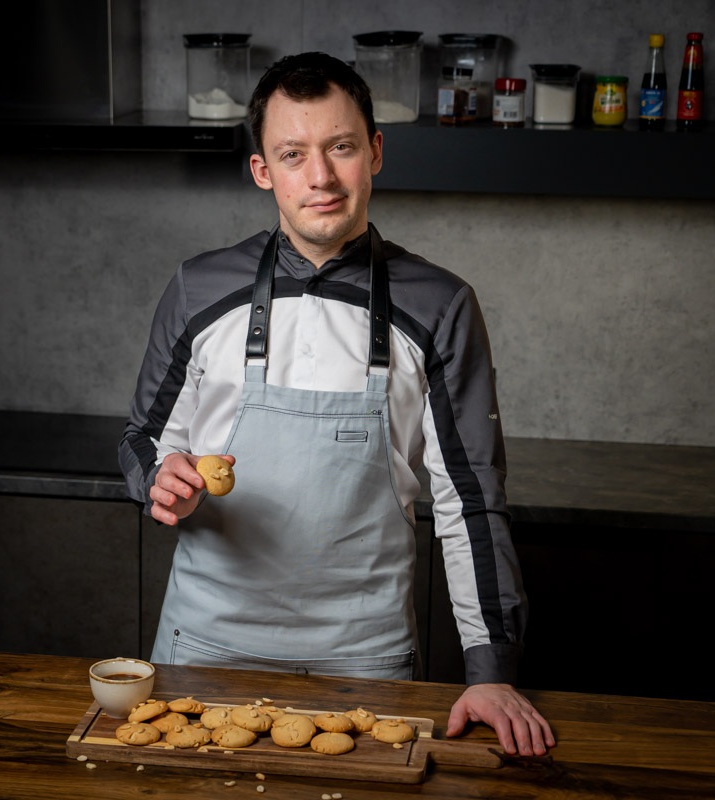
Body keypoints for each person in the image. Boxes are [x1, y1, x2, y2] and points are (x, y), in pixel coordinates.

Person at [118, 51, 554, 757]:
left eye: (341, 147)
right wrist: (161, 478)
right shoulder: (199, 290)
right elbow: (143, 439)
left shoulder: (440, 306)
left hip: (367, 657)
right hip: (203, 645)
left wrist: (491, 670)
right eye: (293, 154)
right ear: (263, 170)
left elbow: (468, 499)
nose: (319, 177)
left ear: (374, 152)